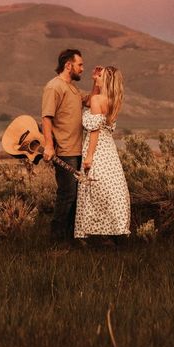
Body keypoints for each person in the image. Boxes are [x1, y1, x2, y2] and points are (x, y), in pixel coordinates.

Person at [75, 66, 130, 243]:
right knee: (111, 188)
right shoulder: (113, 100)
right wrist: (94, 82)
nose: (97, 76)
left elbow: (94, 131)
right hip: (109, 149)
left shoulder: (98, 99)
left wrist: (89, 156)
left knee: (93, 187)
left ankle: (92, 232)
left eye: (100, 75)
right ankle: (113, 229)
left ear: (106, 80)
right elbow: (92, 102)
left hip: (97, 148)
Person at [41, 48, 85, 244]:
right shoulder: (54, 87)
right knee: (66, 195)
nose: (82, 69)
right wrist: (49, 145)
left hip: (77, 150)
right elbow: (46, 118)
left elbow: (91, 100)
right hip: (64, 150)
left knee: (75, 198)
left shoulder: (73, 88)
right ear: (68, 65)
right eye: (80, 65)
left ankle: (70, 238)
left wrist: (98, 81)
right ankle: (56, 241)